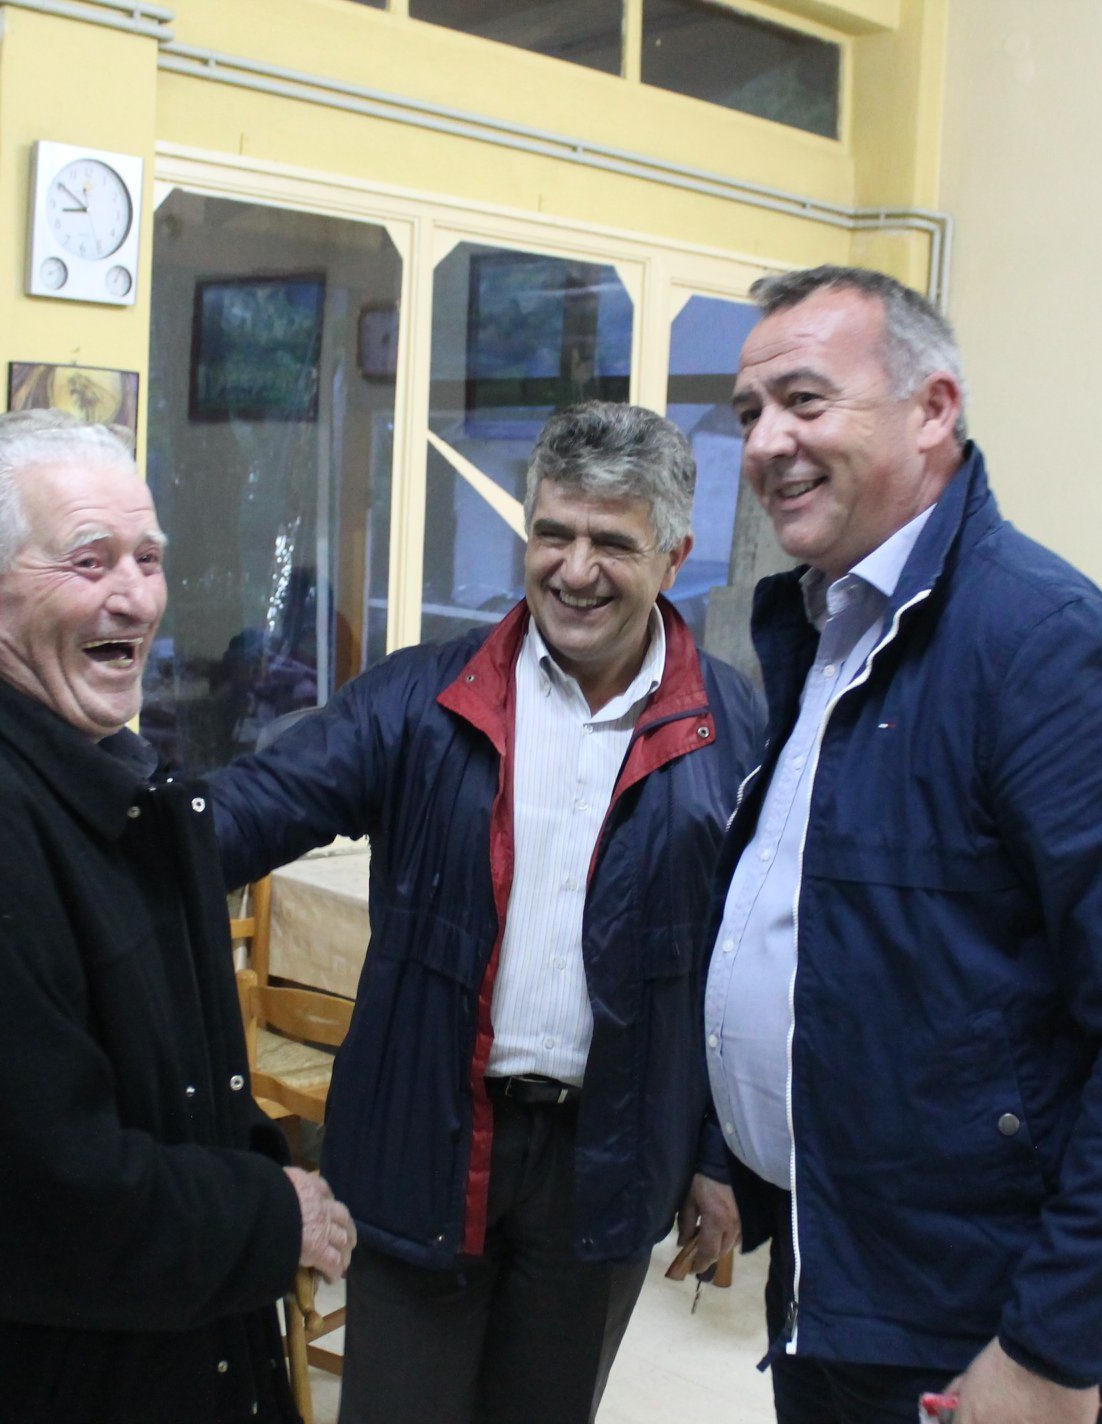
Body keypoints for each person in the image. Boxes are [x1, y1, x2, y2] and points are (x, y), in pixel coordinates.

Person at [704, 267, 1102, 1424]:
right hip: (834, 1270)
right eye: (749, 411)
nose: (765, 443)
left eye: (804, 400)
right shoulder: (826, 626)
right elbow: (825, 939)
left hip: (969, 1322)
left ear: (933, 408)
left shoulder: (1041, 646)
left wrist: (1055, 1347)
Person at [0, 410, 354, 1423]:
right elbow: (43, 1210)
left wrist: (255, 1175)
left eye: (148, 558)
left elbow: (161, 1080)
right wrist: (270, 1214)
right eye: (89, 561)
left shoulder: (89, 786)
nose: (137, 596)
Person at [210, 401, 765, 1424]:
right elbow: (247, 812)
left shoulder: (734, 732)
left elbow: (747, 972)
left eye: (611, 542)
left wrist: (718, 1158)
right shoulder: (423, 698)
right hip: (427, 1137)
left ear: (674, 557)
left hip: (606, 1162)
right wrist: (95, 824)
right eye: (553, 532)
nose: (574, 569)